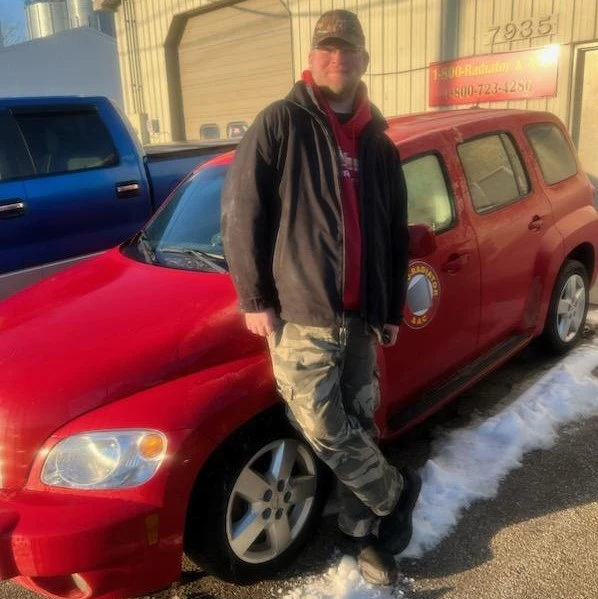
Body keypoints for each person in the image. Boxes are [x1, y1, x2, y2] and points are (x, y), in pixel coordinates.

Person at [221, 9, 421, 586]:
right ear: (311, 58)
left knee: (361, 420)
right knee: (320, 421)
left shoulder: (379, 143)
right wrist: (254, 296)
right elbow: (242, 212)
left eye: (349, 49)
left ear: (364, 60)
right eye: (327, 48)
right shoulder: (281, 122)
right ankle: (394, 492)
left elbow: (392, 230)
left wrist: (388, 310)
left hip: (362, 318)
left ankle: (361, 535)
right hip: (303, 316)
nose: (338, 57)